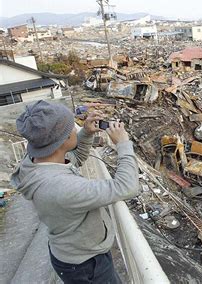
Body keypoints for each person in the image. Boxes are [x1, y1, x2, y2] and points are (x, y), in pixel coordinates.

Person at [10, 100, 139, 284]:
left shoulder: (36, 160)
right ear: (61, 140)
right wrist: (123, 144)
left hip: (70, 254)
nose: (75, 129)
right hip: (86, 264)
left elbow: (76, 157)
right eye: (72, 127)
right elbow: (127, 187)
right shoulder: (61, 187)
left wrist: (85, 133)